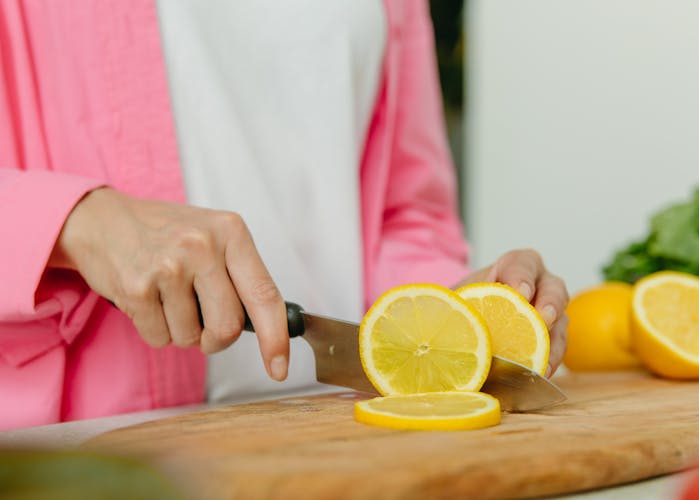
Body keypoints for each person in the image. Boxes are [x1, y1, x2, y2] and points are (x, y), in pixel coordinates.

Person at [0, 0, 568, 431]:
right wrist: (76, 224)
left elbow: (405, 213)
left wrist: (446, 313)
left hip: (329, 439)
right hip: (84, 455)